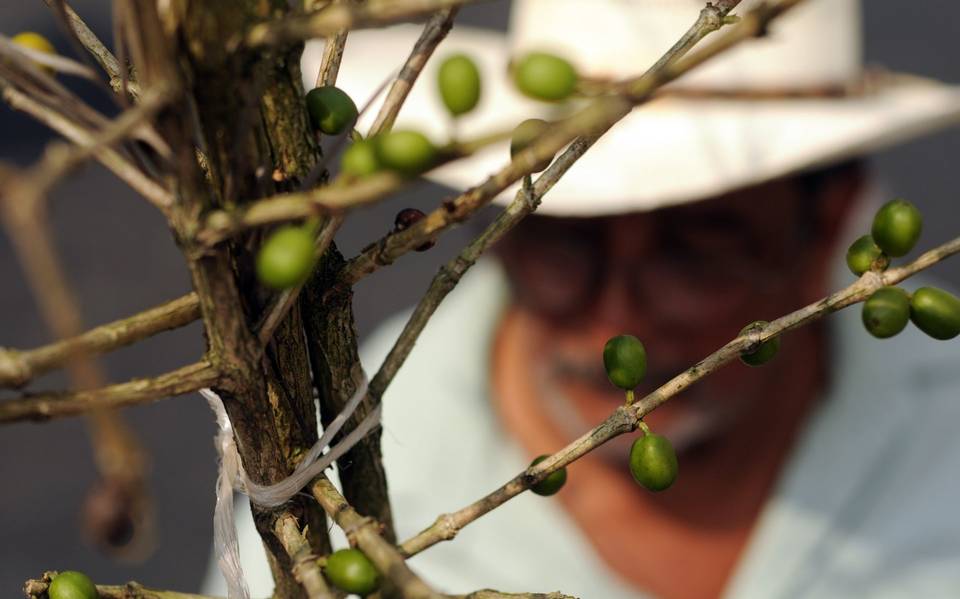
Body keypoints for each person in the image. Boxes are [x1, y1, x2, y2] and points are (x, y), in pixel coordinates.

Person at [205, 1, 960, 597]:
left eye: (696, 251)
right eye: (567, 241)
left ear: (828, 222)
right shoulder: (332, 464)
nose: (614, 318)